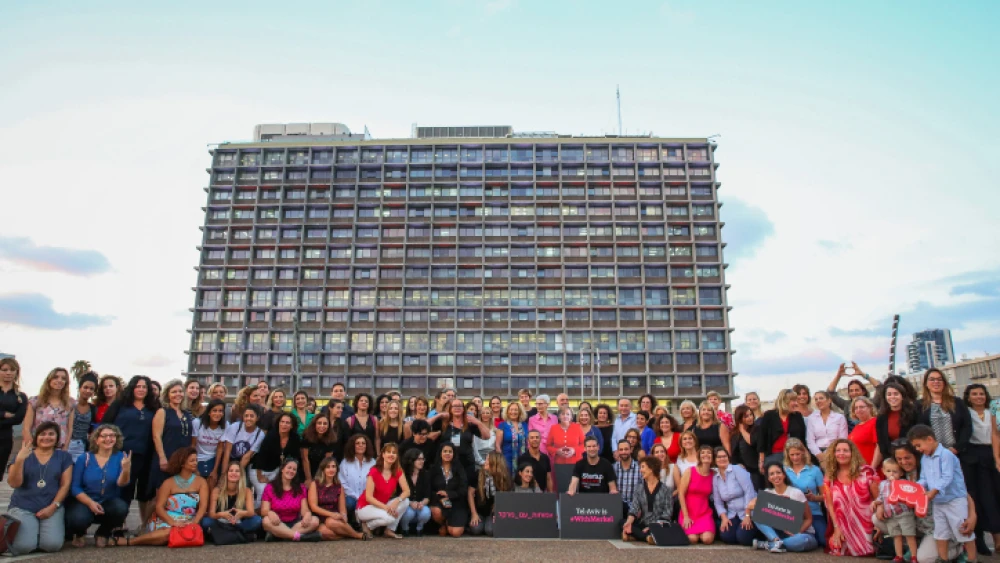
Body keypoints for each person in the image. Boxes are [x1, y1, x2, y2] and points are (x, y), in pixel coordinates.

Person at [875, 440, 978, 563]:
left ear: (916, 455)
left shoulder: (929, 471)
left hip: (935, 526)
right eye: (899, 459)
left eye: (907, 457)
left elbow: (962, 493)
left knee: (925, 559)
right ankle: (914, 546)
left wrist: (972, 516)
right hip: (916, 523)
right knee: (877, 518)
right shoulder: (898, 475)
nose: (903, 462)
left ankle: (959, 548)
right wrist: (881, 505)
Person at [909, 424, 979, 563]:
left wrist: (933, 491)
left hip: (954, 500)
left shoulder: (946, 455)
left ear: (929, 439)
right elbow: (924, 478)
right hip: (939, 502)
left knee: (963, 530)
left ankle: (972, 559)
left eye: (918, 445)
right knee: (940, 532)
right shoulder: (925, 458)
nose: (918, 449)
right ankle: (943, 559)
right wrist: (916, 488)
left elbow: (947, 477)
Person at [6, 422, 73, 555]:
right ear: (36, 437)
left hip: (51, 507)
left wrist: (53, 506)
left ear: (57, 437)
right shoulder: (23, 454)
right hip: (23, 506)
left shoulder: (64, 456)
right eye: (42, 434)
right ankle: (31, 532)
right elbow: (14, 484)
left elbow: (65, 485)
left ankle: (37, 532)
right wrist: (19, 460)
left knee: (52, 545)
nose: (46, 437)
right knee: (23, 547)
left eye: (51, 434)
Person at [102, 375, 157, 523]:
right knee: (124, 489)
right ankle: (119, 524)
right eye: (137, 386)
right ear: (132, 388)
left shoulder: (154, 408)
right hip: (122, 454)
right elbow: (105, 426)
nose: (141, 390)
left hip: (146, 455)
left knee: (145, 491)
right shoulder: (120, 405)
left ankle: (145, 526)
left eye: (144, 387)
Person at [128, 447, 209, 546]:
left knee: (172, 534)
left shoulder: (201, 482)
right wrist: (173, 522)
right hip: (166, 519)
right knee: (169, 532)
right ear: (182, 463)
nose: (195, 463)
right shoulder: (168, 483)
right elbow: (159, 507)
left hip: (189, 520)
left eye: (196, 460)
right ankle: (131, 542)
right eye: (192, 460)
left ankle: (134, 541)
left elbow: (203, 506)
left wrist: (195, 522)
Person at [66, 424, 131, 547]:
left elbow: (122, 484)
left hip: (108, 501)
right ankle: (79, 533)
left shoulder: (122, 457)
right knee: (77, 519)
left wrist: (126, 470)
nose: (108, 439)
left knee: (121, 508)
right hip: (85, 500)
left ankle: (103, 532)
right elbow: (75, 487)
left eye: (112, 436)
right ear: (96, 439)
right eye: (104, 436)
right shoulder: (84, 458)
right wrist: (90, 503)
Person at [823, 438, 879, 556]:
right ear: (833, 454)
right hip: (843, 525)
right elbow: (830, 506)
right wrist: (836, 527)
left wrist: (879, 525)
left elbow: (878, 500)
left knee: (868, 551)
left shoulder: (867, 472)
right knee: (835, 546)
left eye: (845, 450)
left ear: (852, 453)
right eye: (838, 451)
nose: (841, 454)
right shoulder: (830, 477)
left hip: (867, 524)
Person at [749, 461, 819, 553]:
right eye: (772, 474)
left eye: (778, 472)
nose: (775, 476)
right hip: (780, 533)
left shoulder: (796, 493)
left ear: (784, 475)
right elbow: (751, 506)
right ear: (769, 478)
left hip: (800, 534)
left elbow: (808, 519)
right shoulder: (767, 493)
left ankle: (769, 545)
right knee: (756, 512)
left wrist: (798, 531)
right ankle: (776, 541)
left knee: (805, 540)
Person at [964, 384, 1000, 552]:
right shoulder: (966, 413)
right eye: (974, 394)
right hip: (975, 455)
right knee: (985, 497)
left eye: (981, 393)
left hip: (994, 452)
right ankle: (991, 539)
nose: (979, 396)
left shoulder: (992, 411)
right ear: (968, 397)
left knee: (997, 494)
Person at [148, 380, 195, 499]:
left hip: (182, 460)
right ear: (167, 394)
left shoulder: (186, 414)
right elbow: (156, 436)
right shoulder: (162, 412)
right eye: (174, 392)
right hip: (167, 457)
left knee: (177, 496)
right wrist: (162, 458)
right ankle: (154, 518)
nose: (177, 394)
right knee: (161, 496)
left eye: (180, 391)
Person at [917, 368, 971, 465]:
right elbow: (917, 430)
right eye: (932, 379)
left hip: (957, 454)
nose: (936, 382)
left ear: (944, 382)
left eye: (939, 379)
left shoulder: (957, 402)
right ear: (926, 383)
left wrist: (956, 448)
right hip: (932, 456)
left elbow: (967, 427)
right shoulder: (919, 406)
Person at [260, 458, 321, 542]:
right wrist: (270, 512)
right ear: (282, 469)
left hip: (295, 522)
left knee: (315, 521)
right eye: (289, 467)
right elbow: (264, 510)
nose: (291, 471)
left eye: (294, 469)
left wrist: (307, 514)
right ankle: (300, 536)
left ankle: (280, 535)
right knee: (266, 521)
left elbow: (304, 510)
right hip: (277, 522)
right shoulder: (270, 487)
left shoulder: (301, 488)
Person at [356, 442, 408, 539]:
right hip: (365, 507)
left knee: (405, 501)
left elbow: (407, 491)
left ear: (397, 456)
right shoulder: (374, 471)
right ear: (383, 454)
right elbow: (368, 497)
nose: (391, 455)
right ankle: (367, 526)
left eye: (394, 453)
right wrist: (387, 508)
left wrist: (397, 501)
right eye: (388, 452)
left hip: (382, 505)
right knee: (389, 518)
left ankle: (389, 530)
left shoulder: (397, 471)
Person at [434, 398, 492, 483]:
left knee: (467, 490)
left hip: (467, 464)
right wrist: (439, 415)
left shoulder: (470, 424)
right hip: (448, 464)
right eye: (454, 406)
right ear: (450, 409)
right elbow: (423, 427)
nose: (457, 408)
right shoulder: (443, 423)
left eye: (459, 406)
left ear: (463, 409)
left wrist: (477, 422)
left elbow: (487, 436)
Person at [783, 438, 827, 547]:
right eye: (792, 455)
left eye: (798, 454)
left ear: (803, 452)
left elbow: (826, 495)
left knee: (823, 541)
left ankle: (804, 538)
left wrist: (814, 498)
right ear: (788, 455)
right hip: (790, 512)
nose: (795, 457)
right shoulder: (784, 470)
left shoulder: (815, 470)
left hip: (813, 511)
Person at [307, 457, 365, 541]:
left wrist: (344, 516)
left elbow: (342, 508)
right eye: (328, 467)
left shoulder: (338, 485)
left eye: (333, 466)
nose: (331, 469)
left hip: (334, 518)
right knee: (326, 533)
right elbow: (313, 507)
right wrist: (331, 514)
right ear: (323, 469)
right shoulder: (315, 484)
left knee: (331, 522)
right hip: (319, 517)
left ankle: (356, 535)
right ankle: (350, 535)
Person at [251, 412, 301, 505]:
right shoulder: (271, 436)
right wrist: (260, 476)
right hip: (259, 470)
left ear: (292, 425)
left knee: (277, 490)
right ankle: (258, 513)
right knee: (263, 490)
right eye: (282, 422)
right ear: (278, 423)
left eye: (287, 423)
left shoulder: (295, 438)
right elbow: (261, 456)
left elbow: (295, 457)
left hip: (276, 470)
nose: (284, 424)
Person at [202, 460, 262, 537]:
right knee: (206, 522)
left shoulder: (247, 491)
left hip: (239, 522)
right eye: (231, 471)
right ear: (226, 474)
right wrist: (221, 514)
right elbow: (211, 514)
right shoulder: (217, 490)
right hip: (221, 521)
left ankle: (224, 533)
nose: (234, 473)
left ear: (241, 475)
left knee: (257, 520)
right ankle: (240, 534)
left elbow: (251, 512)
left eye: (237, 471)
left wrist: (242, 513)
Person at [622, 456, 673, 545]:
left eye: (643, 467)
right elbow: (634, 508)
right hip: (643, 523)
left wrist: (652, 527)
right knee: (621, 522)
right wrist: (629, 522)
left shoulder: (666, 490)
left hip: (659, 525)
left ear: (651, 469)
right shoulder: (639, 488)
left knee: (660, 530)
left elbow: (667, 514)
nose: (640, 470)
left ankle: (637, 535)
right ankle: (647, 537)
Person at [877, 457, 919, 563]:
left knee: (909, 534)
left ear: (900, 473)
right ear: (883, 471)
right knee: (896, 535)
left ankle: (914, 556)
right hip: (890, 515)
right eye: (888, 471)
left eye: (895, 471)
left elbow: (906, 495)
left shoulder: (903, 482)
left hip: (904, 513)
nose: (891, 474)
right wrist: (876, 502)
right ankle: (899, 556)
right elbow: (881, 497)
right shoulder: (882, 484)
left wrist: (894, 484)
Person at [712, 446, 757, 546]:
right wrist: (724, 518)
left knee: (743, 538)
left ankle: (760, 535)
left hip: (748, 510)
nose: (722, 459)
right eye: (719, 457)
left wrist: (747, 515)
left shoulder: (737, 469)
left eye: (724, 456)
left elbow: (749, 491)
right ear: (715, 460)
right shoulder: (716, 478)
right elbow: (718, 502)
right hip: (732, 513)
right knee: (726, 536)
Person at [23, 367, 75, 450]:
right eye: (56, 377)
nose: (59, 380)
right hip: (37, 448)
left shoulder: (70, 403)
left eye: (63, 378)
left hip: (59, 448)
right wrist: (30, 447)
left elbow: (70, 428)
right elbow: (26, 427)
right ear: (49, 380)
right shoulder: (35, 401)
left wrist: (65, 447)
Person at [874, 382, 922, 469]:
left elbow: (919, 438)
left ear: (902, 396)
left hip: (913, 461)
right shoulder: (881, 418)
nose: (892, 397)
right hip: (893, 463)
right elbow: (881, 444)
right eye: (889, 394)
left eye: (896, 394)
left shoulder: (913, 413)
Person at [758, 389, 807, 474]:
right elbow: (762, 438)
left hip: (794, 457)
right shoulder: (769, 415)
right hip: (774, 456)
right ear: (785, 401)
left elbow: (802, 438)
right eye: (793, 400)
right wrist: (761, 460)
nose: (796, 403)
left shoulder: (797, 416)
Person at [429, 443, 470, 537]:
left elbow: (463, 489)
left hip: (457, 503)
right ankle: (443, 524)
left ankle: (449, 524)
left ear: (454, 454)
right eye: (445, 451)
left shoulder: (459, 468)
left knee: (455, 533)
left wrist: (449, 494)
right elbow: (429, 489)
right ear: (440, 453)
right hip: (439, 502)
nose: (447, 454)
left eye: (450, 452)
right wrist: (440, 497)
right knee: (436, 511)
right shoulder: (433, 469)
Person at [678, 444, 715, 544]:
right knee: (692, 539)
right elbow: (681, 493)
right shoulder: (690, 471)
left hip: (704, 512)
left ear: (712, 457)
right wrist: (685, 516)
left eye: (709, 453)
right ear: (699, 457)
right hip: (688, 512)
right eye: (703, 453)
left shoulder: (714, 474)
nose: (706, 454)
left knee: (707, 539)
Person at [468, 451, 511, 536]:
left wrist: (497, 513)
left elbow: (506, 498)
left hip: (493, 512)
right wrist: (474, 514)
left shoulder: (504, 477)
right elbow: (470, 493)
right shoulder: (478, 474)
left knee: (490, 531)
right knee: (475, 529)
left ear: (495, 463)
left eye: (488, 460)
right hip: (479, 510)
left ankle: (487, 524)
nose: (485, 462)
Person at [0, 357, 27, 481]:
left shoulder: (20, 396)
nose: (8, 373)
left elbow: (18, 419)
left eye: (12, 370)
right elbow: (12, 417)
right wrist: (4, 414)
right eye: (4, 369)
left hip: (5, 439)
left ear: (17, 372)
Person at [191, 399, 226, 487]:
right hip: (198, 458)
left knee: (211, 485)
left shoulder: (225, 426)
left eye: (220, 411)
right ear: (209, 412)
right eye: (214, 410)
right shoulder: (197, 423)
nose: (217, 413)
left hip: (213, 459)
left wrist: (215, 470)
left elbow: (220, 448)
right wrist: (194, 466)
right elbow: (193, 445)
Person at [806, 390, 848, 463]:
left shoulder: (839, 417)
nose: (818, 401)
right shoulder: (811, 418)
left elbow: (843, 438)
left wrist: (829, 453)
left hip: (835, 452)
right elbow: (810, 440)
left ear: (829, 400)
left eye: (821, 398)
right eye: (816, 399)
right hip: (817, 454)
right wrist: (819, 454)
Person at [220, 405, 265, 473]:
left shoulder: (260, 434)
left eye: (252, 416)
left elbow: (247, 457)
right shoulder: (235, 426)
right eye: (246, 416)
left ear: (257, 418)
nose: (248, 418)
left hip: (242, 461)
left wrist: (237, 473)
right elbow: (227, 451)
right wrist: (224, 474)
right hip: (229, 458)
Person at [547, 405, 584, 487]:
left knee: (576, 487)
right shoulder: (554, 428)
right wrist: (557, 451)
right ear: (559, 416)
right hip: (560, 463)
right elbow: (548, 445)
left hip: (576, 462)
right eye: (563, 414)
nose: (565, 416)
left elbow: (584, 444)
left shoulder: (577, 427)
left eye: (568, 414)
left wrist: (574, 450)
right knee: (562, 486)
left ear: (571, 416)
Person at [340, 434, 376, 517]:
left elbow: (376, 482)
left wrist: (366, 497)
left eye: (363, 443)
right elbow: (342, 484)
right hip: (351, 497)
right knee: (349, 503)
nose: (361, 445)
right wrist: (356, 497)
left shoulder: (373, 462)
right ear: (353, 446)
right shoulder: (345, 463)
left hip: (368, 497)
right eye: (357, 443)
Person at [399, 449, 432, 536]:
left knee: (426, 512)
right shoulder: (403, 475)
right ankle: (404, 528)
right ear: (411, 460)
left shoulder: (425, 474)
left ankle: (419, 528)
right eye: (419, 459)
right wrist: (410, 503)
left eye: (422, 459)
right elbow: (399, 494)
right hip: (407, 504)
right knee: (409, 513)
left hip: (420, 505)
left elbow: (428, 495)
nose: (421, 461)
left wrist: (422, 503)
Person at [300, 414, 340, 487]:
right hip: (306, 469)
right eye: (319, 423)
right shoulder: (307, 436)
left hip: (321, 470)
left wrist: (319, 479)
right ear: (314, 424)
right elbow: (305, 459)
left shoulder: (332, 439)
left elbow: (326, 461)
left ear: (328, 426)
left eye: (325, 424)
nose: (322, 426)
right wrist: (309, 479)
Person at [68, 373, 96, 461]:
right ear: (80, 388)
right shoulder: (70, 404)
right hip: (67, 444)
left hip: (83, 448)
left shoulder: (93, 408)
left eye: (91, 389)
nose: (88, 391)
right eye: (85, 387)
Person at [730, 405, 759, 488]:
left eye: (751, 415)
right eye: (746, 416)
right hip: (742, 469)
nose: (750, 418)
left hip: (755, 469)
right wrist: (738, 464)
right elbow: (734, 452)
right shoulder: (734, 434)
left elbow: (751, 441)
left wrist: (742, 429)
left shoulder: (757, 429)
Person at [496, 402, 528, 475]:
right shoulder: (502, 425)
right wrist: (501, 461)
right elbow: (497, 445)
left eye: (516, 410)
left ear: (519, 412)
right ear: (507, 412)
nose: (513, 412)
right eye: (511, 410)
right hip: (506, 460)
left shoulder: (524, 425)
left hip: (523, 460)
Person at [848, 396, 879, 465]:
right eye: (856, 408)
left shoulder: (875, 422)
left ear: (870, 408)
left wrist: (872, 468)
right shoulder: (857, 426)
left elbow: (879, 447)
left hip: (871, 468)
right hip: (858, 468)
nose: (858, 410)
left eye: (861, 407)